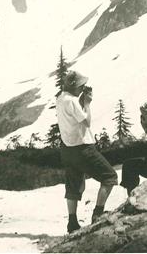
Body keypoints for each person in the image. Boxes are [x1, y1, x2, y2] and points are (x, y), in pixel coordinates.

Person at [56, 70, 118, 233]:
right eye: (81, 86)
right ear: (75, 86)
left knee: (73, 184)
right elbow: (86, 122)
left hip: (67, 149)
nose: (83, 88)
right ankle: (97, 213)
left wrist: (81, 101)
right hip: (82, 148)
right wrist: (87, 103)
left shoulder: (60, 99)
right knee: (110, 177)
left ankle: (72, 222)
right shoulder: (72, 101)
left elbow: (74, 118)